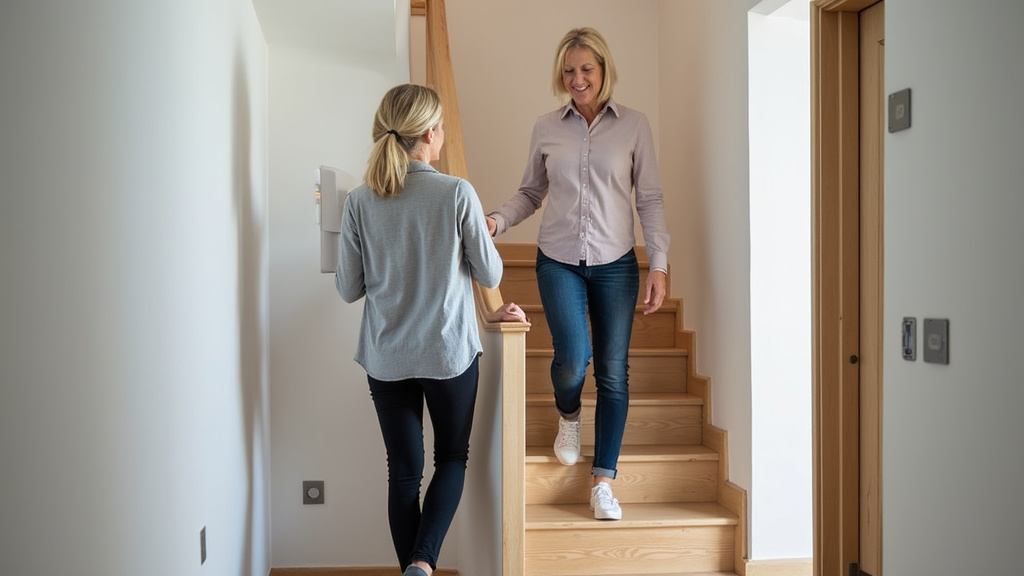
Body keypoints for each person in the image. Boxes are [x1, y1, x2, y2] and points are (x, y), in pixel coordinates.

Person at [336, 84, 527, 576]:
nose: (442, 133)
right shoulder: (456, 192)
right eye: (440, 126)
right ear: (427, 134)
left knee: (403, 475)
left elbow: (348, 289)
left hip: (386, 357)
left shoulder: (358, 201)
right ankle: (422, 564)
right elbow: (490, 274)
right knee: (452, 458)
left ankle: (414, 569)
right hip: (447, 354)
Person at [485, 27, 670, 521]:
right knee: (572, 359)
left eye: (586, 68)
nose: (577, 78)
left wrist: (659, 263)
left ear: (604, 70)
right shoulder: (547, 127)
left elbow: (650, 199)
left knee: (613, 372)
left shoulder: (635, 126)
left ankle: (603, 482)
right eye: (569, 71)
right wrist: (497, 221)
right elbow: (531, 192)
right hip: (559, 258)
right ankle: (568, 414)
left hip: (617, 264)